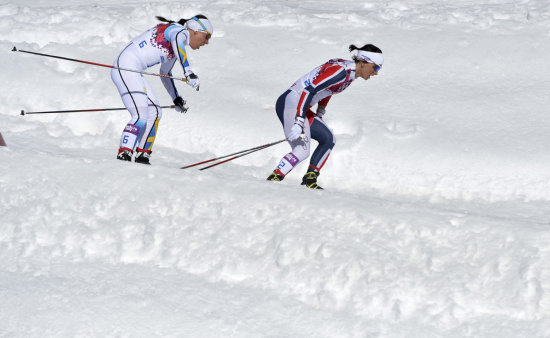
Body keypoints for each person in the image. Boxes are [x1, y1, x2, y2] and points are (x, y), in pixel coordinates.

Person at [267, 44, 383, 189]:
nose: (376, 73)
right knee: (302, 150)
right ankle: (273, 180)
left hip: (302, 107)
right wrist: (298, 121)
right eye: (376, 67)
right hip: (291, 103)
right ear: (364, 62)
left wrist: (321, 110)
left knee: (328, 139)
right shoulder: (341, 71)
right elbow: (308, 90)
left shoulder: (350, 74)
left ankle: (310, 179)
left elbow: (328, 90)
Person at [112, 14, 213, 164]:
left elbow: (165, 73)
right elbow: (178, 39)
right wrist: (188, 71)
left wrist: (175, 97)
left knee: (155, 112)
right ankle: (124, 153)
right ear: (196, 30)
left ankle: (143, 155)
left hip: (134, 71)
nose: (207, 42)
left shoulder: (175, 46)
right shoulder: (177, 31)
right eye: (207, 36)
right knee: (140, 114)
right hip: (125, 66)